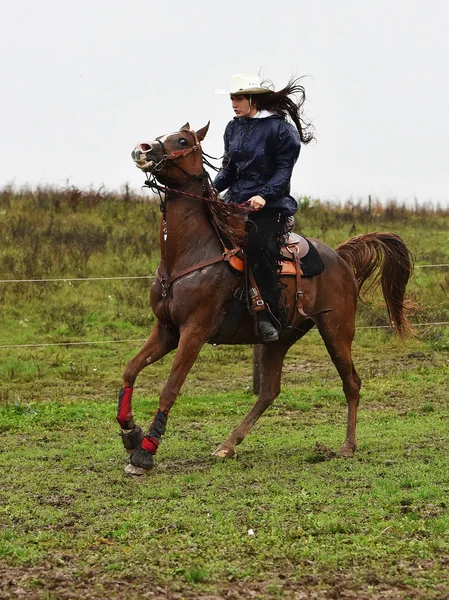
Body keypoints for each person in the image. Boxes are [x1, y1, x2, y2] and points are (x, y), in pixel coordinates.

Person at [214, 72, 314, 342]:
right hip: (234, 202)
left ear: (253, 100)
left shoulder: (281, 130)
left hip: (270, 206)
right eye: (232, 98)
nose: (233, 104)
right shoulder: (232, 127)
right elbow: (230, 169)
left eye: (238, 98)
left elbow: (283, 174)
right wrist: (213, 188)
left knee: (258, 248)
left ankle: (269, 315)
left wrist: (263, 196)